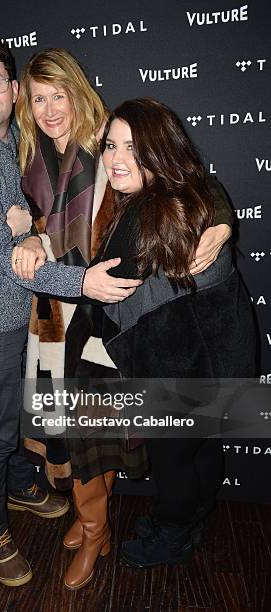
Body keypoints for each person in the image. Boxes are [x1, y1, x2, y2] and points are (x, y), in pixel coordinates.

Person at [14, 48, 235, 590]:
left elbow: (186, 180)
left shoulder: (104, 151)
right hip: (66, 321)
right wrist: (24, 231)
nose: (48, 108)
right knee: (80, 434)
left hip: (110, 326)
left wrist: (223, 222)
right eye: (38, 97)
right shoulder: (38, 162)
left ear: (79, 92)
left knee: (96, 432)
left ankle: (103, 530)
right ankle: (94, 521)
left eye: (58, 93)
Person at [0, 33, 138, 588]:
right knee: (21, 432)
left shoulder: (65, 144)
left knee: (94, 426)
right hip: (17, 316)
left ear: (11, 89)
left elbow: (168, 179)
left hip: (86, 314)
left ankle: (90, 524)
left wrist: (31, 231)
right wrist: (53, 260)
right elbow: (5, 253)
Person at [95, 98, 256, 569]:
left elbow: (100, 288)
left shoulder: (144, 219)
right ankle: (195, 517)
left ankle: (174, 532)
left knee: (173, 462)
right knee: (201, 447)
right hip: (218, 363)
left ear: (160, 152)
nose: (117, 159)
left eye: (134, 149)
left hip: (178, 370)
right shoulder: (197, 196)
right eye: (111, 145)